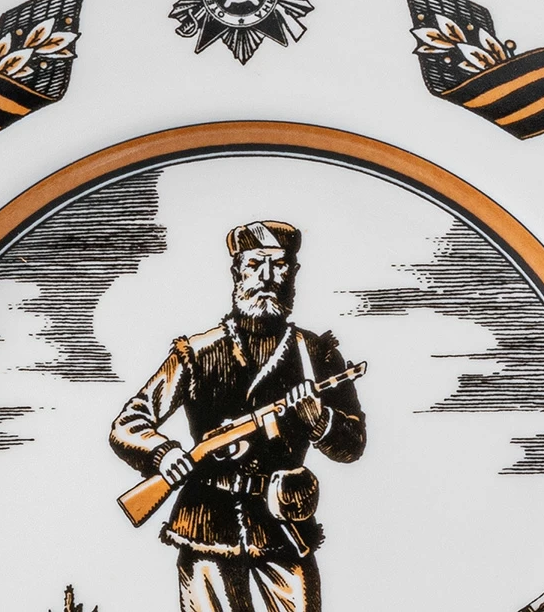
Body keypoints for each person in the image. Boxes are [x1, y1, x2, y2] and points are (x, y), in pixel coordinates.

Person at [110, 220, 366, 612]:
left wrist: (320, 421)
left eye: (278, 265)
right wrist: (164, 453)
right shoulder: (197, 353)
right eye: (255, 264)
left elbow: (354, 444)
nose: (266, 277)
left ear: (293, 273)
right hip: (205, 525)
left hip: (285, 526)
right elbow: (130, 423)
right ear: (237, 272)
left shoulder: (316, 353)